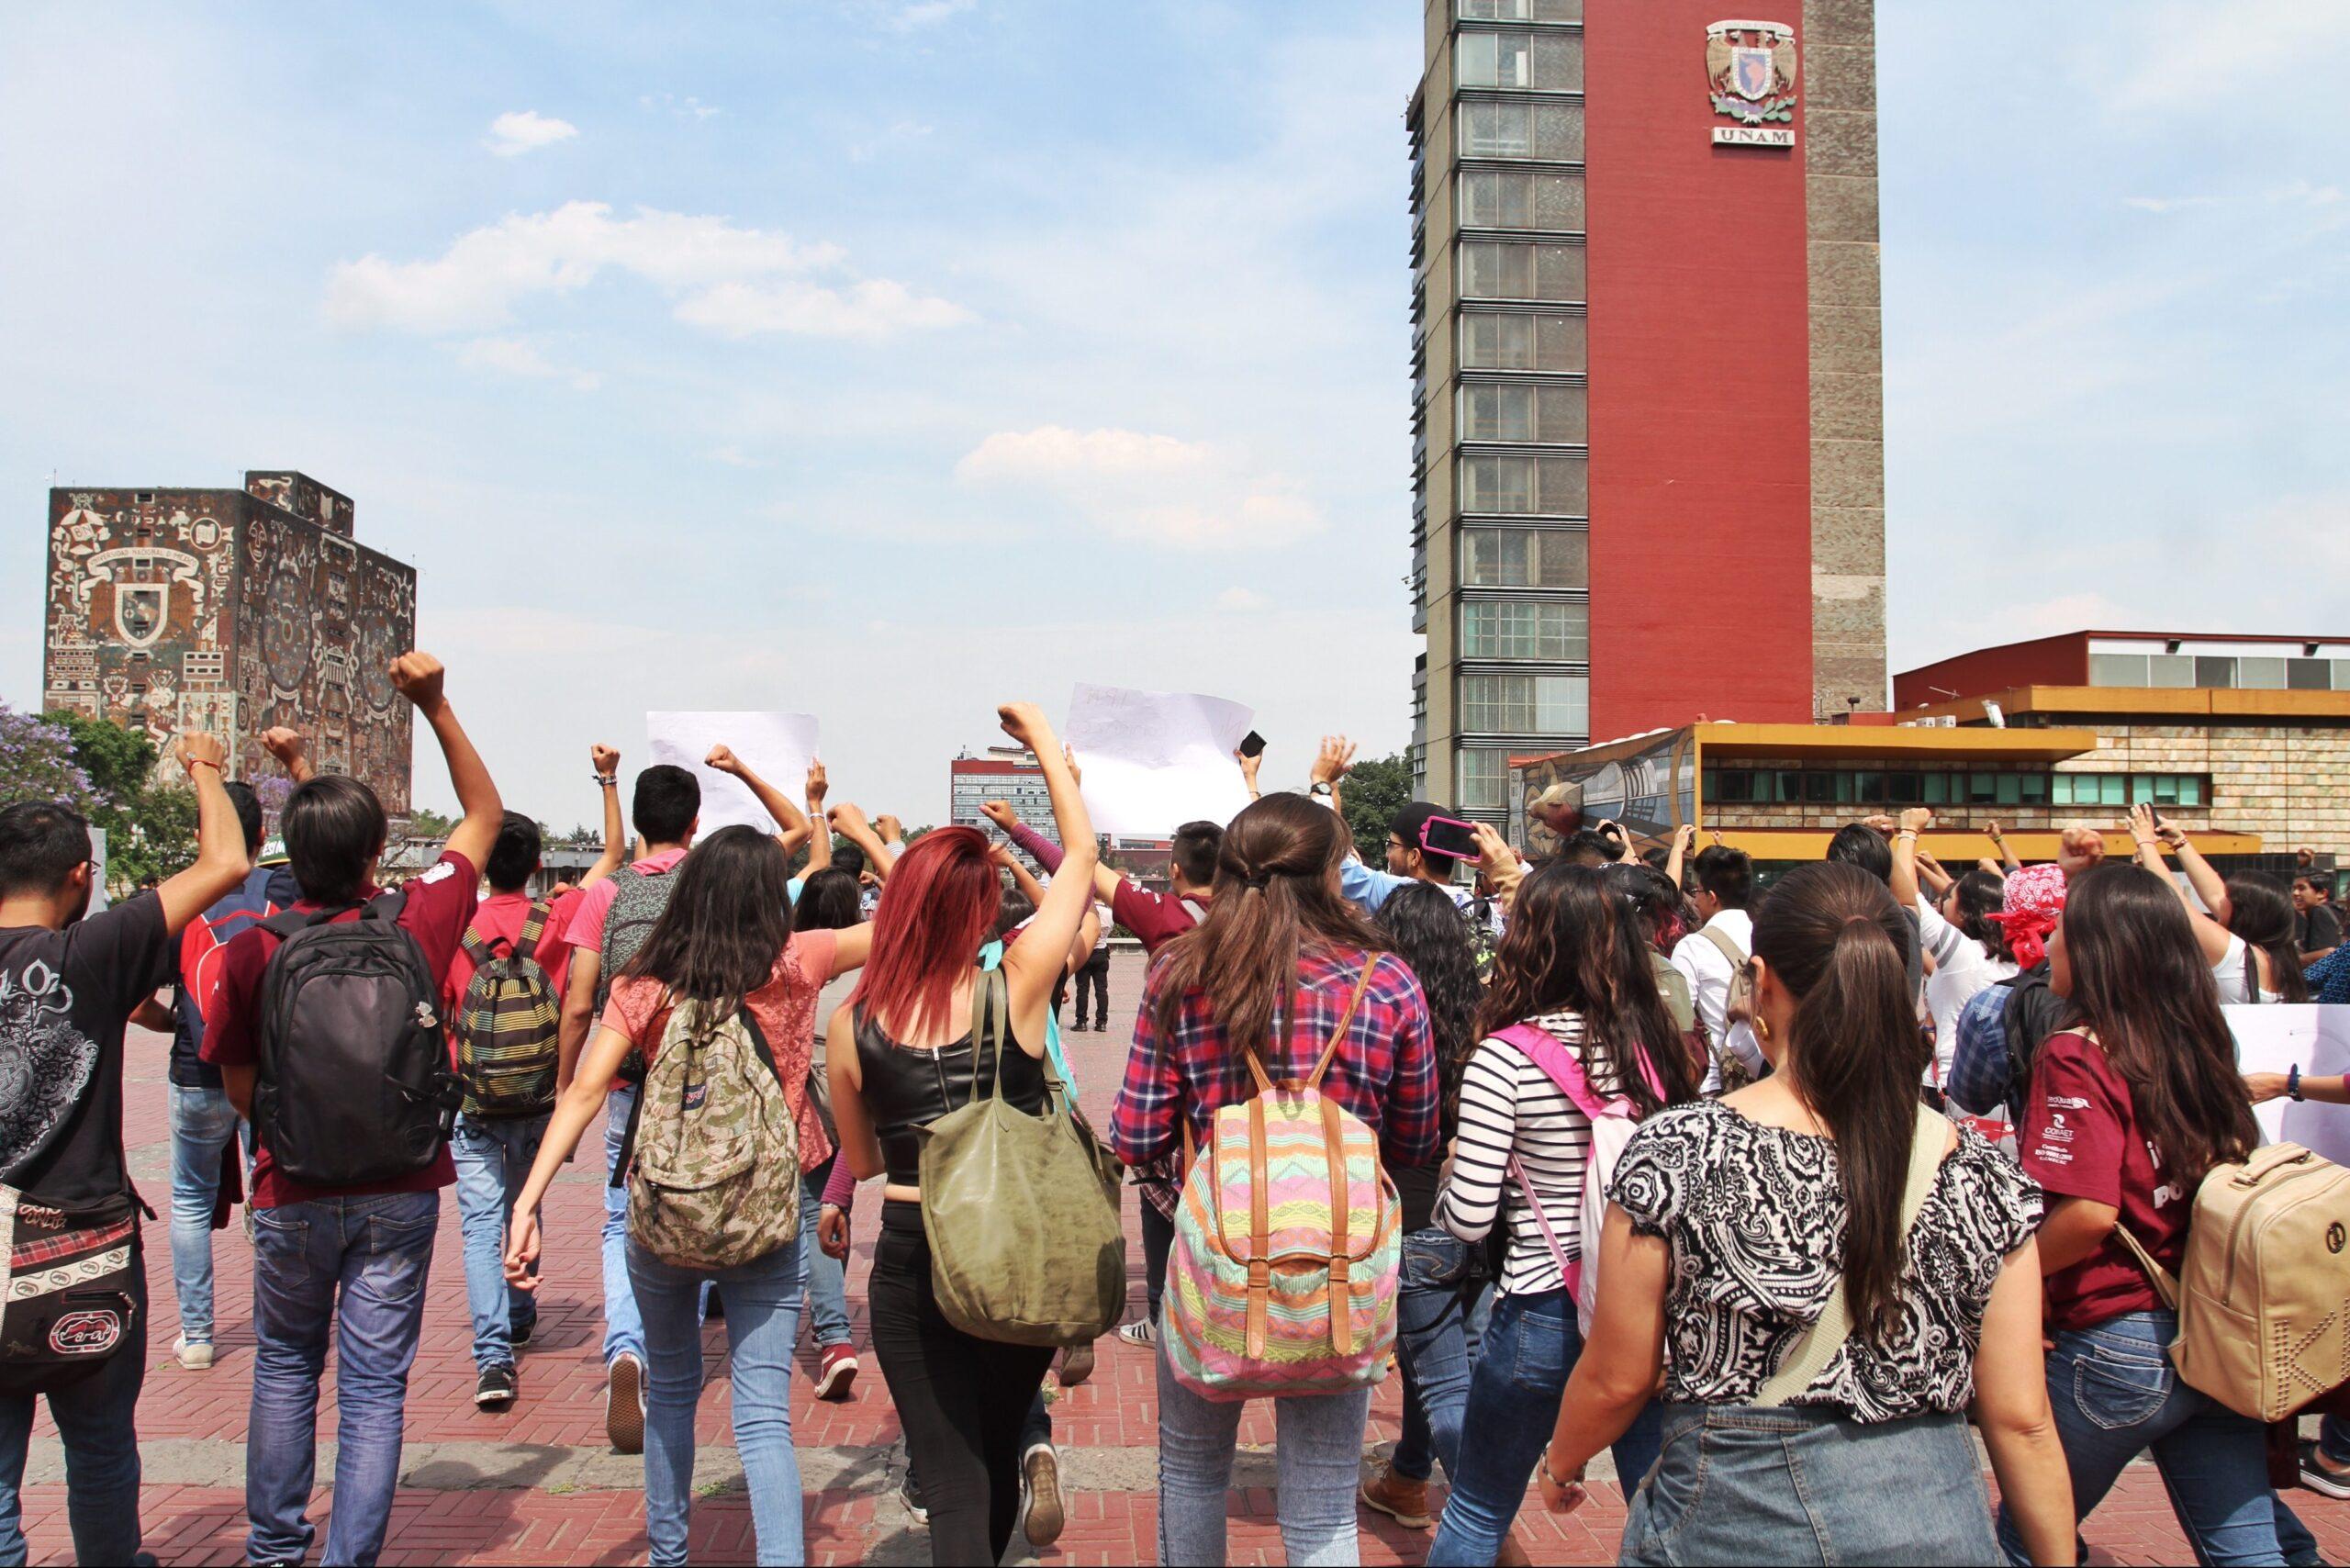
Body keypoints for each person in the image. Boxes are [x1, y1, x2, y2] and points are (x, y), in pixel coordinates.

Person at [1536, 862, 2074, 1566]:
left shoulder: (1678, 1152)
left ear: (1761, 982)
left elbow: (1618, 1376)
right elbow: (2022, 1420)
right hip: (1934, 1512)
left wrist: (1562, 1464)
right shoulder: (1980, 1175)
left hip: (1729, 1516)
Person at [203, 652, 504, 1568]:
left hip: (290, 1187)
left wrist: (289, 1135)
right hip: (401, 1183)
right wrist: (435, 706)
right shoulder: (416, 919)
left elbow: (237, 1081)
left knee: (288, 1366)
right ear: (379, 856)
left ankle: (270, 1550)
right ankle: (350, 1558)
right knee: (374, 1388)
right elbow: (485, 815)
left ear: (289, 856)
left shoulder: (253, 945)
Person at [504, 824, 870, 1568]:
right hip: (767, 1216)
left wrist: (527, 1203)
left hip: (663, 1212)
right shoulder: (800, 962)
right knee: (764, 1417)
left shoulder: (643, 980)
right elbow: (909, 919)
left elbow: (581, 1092)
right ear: (771, 897)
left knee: (672, 1390)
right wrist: (870, 837)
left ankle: (668, 1555)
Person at [1110, 790, 1440, 1568]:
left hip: (1212, 1261)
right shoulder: (1385, 982)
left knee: (1191, 1472)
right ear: (1333, 873)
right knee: (1323, 1501)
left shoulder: (1181, 974)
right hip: (1340, 1266)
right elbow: (1419, 1135)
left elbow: (1136, 1132)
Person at [822, 703, 1095, 1568]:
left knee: (950, 1471)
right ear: (984, 912)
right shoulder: (1013, 988)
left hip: (912, 1252)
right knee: (997, 1440)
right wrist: (1047, 747)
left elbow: (861, 1162)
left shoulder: (852, 1022)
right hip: (1014, 1246)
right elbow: (1083, 862)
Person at [1995, 861, 2316, 1564]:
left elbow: (2087, 1213)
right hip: (2212, 1328)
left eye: (2062, 934)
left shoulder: (2078, 1054)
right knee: (2245, 1548)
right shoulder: (2199, 1042)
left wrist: (2009, 1288)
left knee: (2028, 1535)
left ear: (2099, 949)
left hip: (2115, 1340)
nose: (2048, 947)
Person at [0, 730, 251, 1565]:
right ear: (81, 877)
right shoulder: (93, 953)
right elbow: (225, 865)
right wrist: (205, 771)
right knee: (100, 1451)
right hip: (83, 1252)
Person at [1424, 863, 1697, 1565]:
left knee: (1480, 1505)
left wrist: (1453, 1177)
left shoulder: (1504, 1059)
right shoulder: (1656, 1048)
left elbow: (1471, 1219)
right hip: (1647, 1314)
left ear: (1528, 944)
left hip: (1542, 1308)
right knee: (1657, 1507)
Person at [984, 800, 1222, 1347]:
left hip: (1182, 1101)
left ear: (1175, 870)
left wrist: (1016, 827)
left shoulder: (1166, 915)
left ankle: (1166, 1313)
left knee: (1160, 1189)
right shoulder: (1260, 917)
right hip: (1243, 1098)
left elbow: (1082, 865)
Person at [447, 781, 621, 1413]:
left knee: (478, 1223)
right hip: (541, 1091)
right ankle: (521, 1311)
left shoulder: (457, 925)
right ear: (538, 865)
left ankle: (493, 1357)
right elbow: (612, 856)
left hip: (473, 1096)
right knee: (527, 1197)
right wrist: (606, 781)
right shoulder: (556, 917)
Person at [556, 760, 700, 1454]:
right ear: (694, 823)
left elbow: (580, 1001)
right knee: (694, 1205)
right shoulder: (707, 887)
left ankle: (625, 1348)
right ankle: (679, 1346)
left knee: (620, 1223)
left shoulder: (605, 893)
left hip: (625, 1085)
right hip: (698, 1080)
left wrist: (568, 1085)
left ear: (640, 822)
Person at [1358, 881, 1487, 1535]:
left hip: (1402, 1208)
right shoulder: (1482, 1014)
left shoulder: (1381, 1009)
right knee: (1440, 1353)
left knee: (1438, 1373)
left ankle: (1483, 1515)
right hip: (1475, 1211)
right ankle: (1409, 1476)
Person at [789, 865, 866, 1400]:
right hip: (858, 1100)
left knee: (814, 1210)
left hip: (807, 1102)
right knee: (836, 1206)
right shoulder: (870, 964)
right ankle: (833, 1327)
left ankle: (833, 1336)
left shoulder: (793, 957)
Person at [1891, 810, 2020, 1092]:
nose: (1944, 896)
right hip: (1994, 1088)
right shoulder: (2013, 953)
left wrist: (1908, 833)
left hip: (1953, 1088)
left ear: (1966, 911)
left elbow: (1909, 900)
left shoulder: (1963, 954)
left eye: (1952, 894)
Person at [2130, 806, 2308, 1002]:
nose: (2220, 900)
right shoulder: (2277, 959)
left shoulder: (2235, 956)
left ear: (2244, 912)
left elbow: (2178, 904)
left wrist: (2145, 843)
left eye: (2228, 898)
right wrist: (2179, 842)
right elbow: (2215, 893)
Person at [1667, 844, 1765, 1090]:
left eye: (1697, 891)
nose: (1695, 899)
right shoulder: (1767, 938)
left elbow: (1680, 1022)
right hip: (1766, 1073)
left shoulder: (1693, 946)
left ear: (1712, 897)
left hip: (1717, 1081)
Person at [1071, 897, 1113, 1030]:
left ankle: (1081, 1021)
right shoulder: (1109, 913)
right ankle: (1101, 1022)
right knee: (1101, 990)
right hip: (1101, 953)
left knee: (1082, 989)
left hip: (1085, 952)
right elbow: (1109, 930)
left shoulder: (1084, 913)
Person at [2292, 871, 2340, 964]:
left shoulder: (2319, 911)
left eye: (2302, 888)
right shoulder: (2335, 910)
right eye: (2294, 888)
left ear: (2322, 893)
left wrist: (2294, 960)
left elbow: (2328, 953)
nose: (2295, 893)